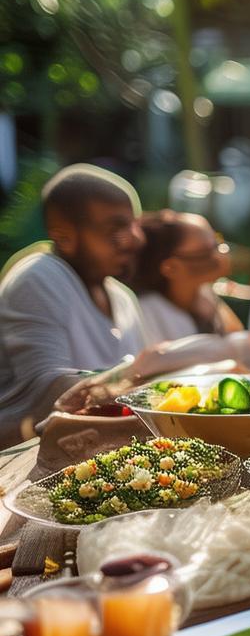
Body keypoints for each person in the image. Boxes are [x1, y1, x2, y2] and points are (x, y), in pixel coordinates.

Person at [0, 164, 147, 443]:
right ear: (65, 237)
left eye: (134, 225)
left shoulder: (123, 298)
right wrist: (154, 374)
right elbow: (51, 391)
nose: (135, 239)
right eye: (116, 229)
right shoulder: (38, 278)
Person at [131, 210, 242, 344]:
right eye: (208, 250)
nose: (222, 253)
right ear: (171, 267)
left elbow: (237, 337)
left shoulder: (203, 293)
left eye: (218, 240)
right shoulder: (149, 314)